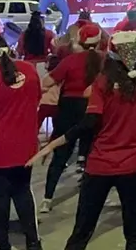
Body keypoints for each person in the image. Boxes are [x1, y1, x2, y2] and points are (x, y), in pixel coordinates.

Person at [27, 31, 136, 250]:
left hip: (102, 164)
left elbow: (89, 122)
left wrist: (54, 143)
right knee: (135, 233)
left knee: (81, 232)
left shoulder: (103, 83)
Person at [0, 35, 43, 250]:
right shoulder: (29, 70)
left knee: (0, 195)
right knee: (23, 191)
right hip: (24, 143)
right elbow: (37, 99)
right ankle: (33, 242)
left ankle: (3, 244)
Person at [38, 23, 104, 212]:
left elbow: (47, 82)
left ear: (79, 42)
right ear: (99, 42)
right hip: (95, 108)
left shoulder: (70, 61)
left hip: (68, 109)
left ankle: (47, 199)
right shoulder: (105, 60)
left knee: (60, 154)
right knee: (93, 151)